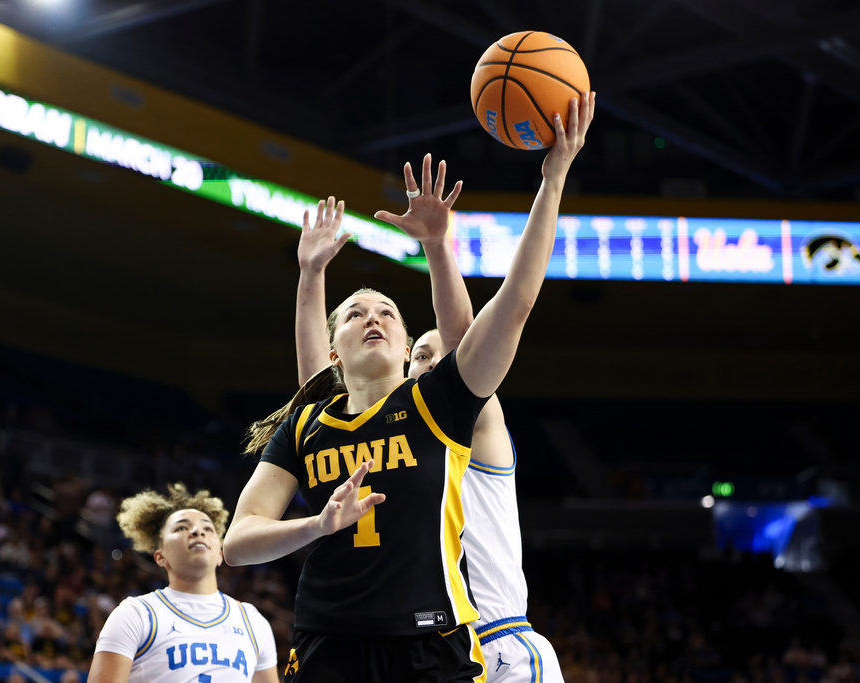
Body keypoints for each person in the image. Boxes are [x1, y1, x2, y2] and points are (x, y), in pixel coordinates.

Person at [224, 92, 594, 682]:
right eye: (354, 315)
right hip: (328, 642)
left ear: (409, 350)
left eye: (388, 313)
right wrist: (316, 526)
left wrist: (552, 179)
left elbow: (515, 304)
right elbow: (238, 543)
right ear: (334, 352)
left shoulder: (438, 403)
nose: (372, 317)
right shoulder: (308, 423)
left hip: (431, 644)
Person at [291, 144, 572, 683]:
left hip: (494, 638)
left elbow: (482, 327)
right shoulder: (369, 427)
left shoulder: (467, 411)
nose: (427, 363)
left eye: (430, 355)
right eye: (419, 355)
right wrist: (310, 275)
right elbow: (314, 391)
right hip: (412, 643)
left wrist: (441, 246)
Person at [89, 482, 279, 683]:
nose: (198, 532)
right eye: (182, 527)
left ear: (219, 555)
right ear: (160, 556)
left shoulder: (252, 621)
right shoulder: (135, 614)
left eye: (208, 528)